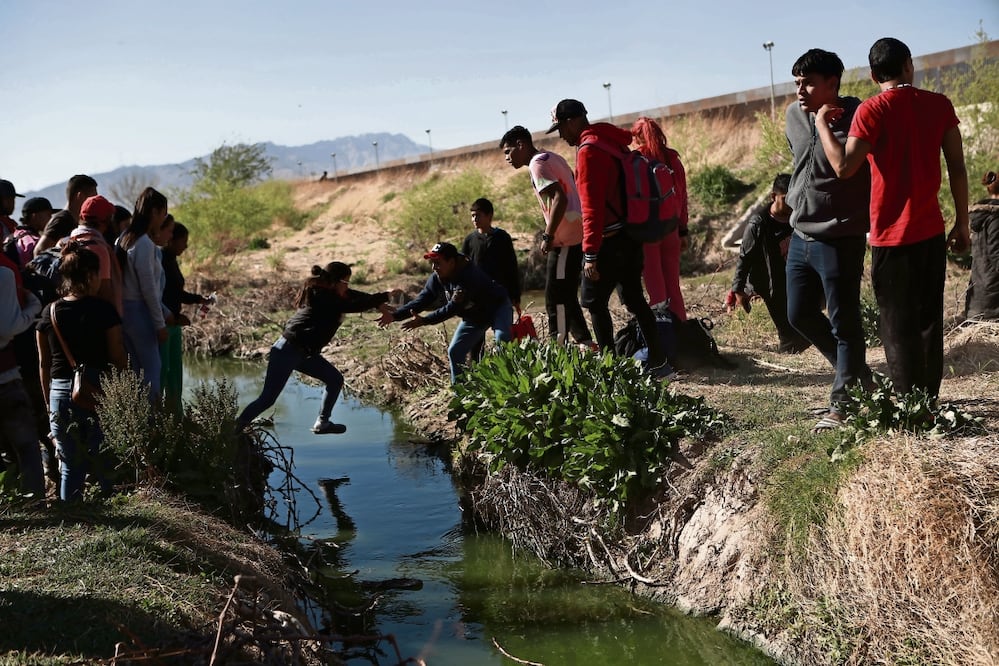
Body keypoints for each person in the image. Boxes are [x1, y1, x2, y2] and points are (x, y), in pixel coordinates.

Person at [817, 37, 969, 402]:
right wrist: (962, 223)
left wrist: (822, 123)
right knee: (930, 320)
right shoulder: (940, 105)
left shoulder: (871, 110)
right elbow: (958, 169)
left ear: (872, 75)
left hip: (890, 237)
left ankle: (907, 405)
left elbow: (843, 166)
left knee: (896, 325)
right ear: (909, 65)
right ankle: (928, 401)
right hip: (930, 230)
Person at [785, 48, 874, 430]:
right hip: (801, 233)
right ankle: (857, 375)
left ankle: (843, 402)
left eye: (808, 83)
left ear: (832, 84)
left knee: (845, 322)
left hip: (840, 235)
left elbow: (846, 170)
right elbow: (800, 163)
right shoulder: (792, 115)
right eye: (797, 83)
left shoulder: (857, 118)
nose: (800, 91)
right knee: (798, 313)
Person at [547, 98, 669, 377]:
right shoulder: (610, 139)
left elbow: (591, 209)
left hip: (608, 242)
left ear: (574, 121)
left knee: (593, 303)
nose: (562, 135)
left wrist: (590, 254)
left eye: (561, 128)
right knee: (636, 300)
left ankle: (610, 369)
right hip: (630, 234)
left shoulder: (588, 151)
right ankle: (661, 363)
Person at [237, 262, 399, 434]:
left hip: (306, 353)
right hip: (288, 350)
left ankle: (323, 423)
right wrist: (385, 296)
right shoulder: (323, 297)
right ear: (335, 282)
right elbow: (352, 305)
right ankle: (234, 430)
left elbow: (355, 295)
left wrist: (378, 304)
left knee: (335, 380)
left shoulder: (333, 293)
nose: (348, 287)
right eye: (346, 282)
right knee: (267, 399)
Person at [36, 242, 127, 501]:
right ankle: (113, 516)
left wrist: (49, 405)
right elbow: (117, 354)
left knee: (69, 467)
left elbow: (43, 364)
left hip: (59, 393)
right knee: (105, 459)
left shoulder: (49, 312)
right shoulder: (103, 310)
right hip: (96, 390)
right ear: (89, 276)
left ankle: (72, 520)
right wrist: (124, 390)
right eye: (98, 274)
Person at [499, 125, 594, 347]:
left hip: (565, 239)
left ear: (521, 145)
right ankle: (586, 342)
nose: (507, 158)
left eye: (507, 152)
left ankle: (557, 346)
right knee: (566, 294)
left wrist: (548, 235)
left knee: (555, 297)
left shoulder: (537, 164)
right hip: (576, 232)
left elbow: (559, 197)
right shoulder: (551, 157)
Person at [378, 242, 513, 383]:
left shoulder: (468, 276)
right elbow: (422, 301)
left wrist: (425, 320)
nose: (434, 267)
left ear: (452, 262)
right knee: (455, 352)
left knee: (503, 339)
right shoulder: (438, 277)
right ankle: (462, 393)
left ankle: (509, 383)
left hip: (498, 307)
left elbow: (452, 309)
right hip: (475, 316)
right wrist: (394, 316)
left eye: (438, 262)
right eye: (432, 262)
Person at [727, 173, 810, 354]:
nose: (790, 204)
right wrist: (738, 289)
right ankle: (789, 358)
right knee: (787, 332)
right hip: (771, 284)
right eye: (785, 199)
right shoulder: (758, 223)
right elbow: (745, 258)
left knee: (803, 322)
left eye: (793, 198)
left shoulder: (797, 218)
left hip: (796, 278)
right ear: (774, 197)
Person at [631, 116, 689, 318]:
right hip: (671, 228)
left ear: (637, 137)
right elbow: (682, 197)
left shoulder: (635, 161)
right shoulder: (673, 160)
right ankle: (681, 329)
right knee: (674, 287)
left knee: (656, 290)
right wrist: (683, 229)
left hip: (647, 233)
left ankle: (665, 336)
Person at [0, 248, 45, 497]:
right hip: (5, 377)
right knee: (27, 446)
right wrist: (32, 308)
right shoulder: (4, 273)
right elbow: (7, 328)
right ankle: (34, 501)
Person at [118, 187, 170, 397]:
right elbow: (148, 289)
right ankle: (150, 424)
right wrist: (159, 324)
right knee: (151, 371)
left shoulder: (124, 239)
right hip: (140, 313)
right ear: (155, 212)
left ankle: (135, 423)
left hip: (124, 313)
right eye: (163, 213)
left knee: (135, 373)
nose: (164, 218)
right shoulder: (144, 244)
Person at [159, 221, 209, 414]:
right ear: (171, 240)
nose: (186, 246)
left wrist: (198, 299)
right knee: (162, 373)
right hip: (164, 324)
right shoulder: (160, 259)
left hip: (175, 325)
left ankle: (175, 416)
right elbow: (158, 295)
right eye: (183, 241)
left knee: (175, 374)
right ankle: (159, 419)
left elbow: (176, 292)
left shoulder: (171, 260)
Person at [70, 195, 124, 315]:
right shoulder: (98, 248)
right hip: (96, 317)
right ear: (105, 221)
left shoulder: (67, 242)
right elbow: (105, 290)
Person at [964, 171, 999, 321]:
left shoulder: (980, 215)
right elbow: (996, 255)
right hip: (993, 305)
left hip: (977, 299)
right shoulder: (995, 217)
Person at [34, 175, 98, 256]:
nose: (94, 202)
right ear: (80, 196)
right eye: (92, 198)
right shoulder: (62, 220)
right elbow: (39, 251)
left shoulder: (76, 219)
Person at [4, 197, 53, 266]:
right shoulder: (34, 241)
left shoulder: (14, 235)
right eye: (48, 215)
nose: (51, 219)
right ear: (35, 216)